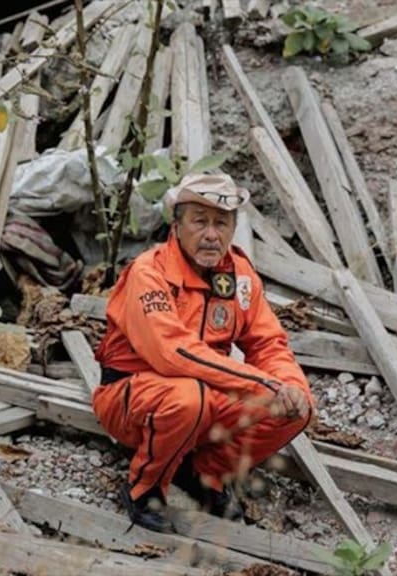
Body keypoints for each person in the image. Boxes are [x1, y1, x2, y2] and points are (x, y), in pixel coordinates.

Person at [92, 172, 315, 533]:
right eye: (199, 222)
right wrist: (264, 384)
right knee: (187, 398)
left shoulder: (240, 275)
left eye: (221, 223)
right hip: (130, 400)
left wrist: (289, 386)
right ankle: (144, 487)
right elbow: (172, 353)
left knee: (294, 407)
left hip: (204, 398)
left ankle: (203, 474)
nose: (212, 234)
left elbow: (267, 343)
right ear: (177, 225)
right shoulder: (149, 273)